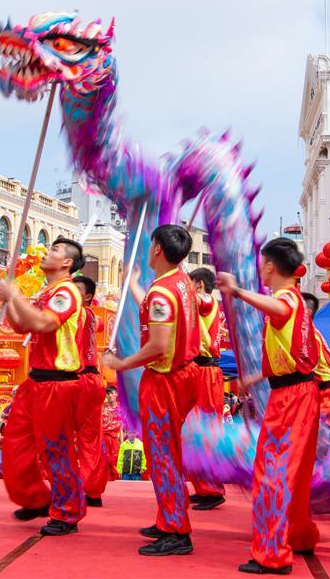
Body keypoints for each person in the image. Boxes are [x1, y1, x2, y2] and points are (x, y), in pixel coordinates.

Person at [217, 237, 321, 576]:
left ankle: (272, 554)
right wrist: (257, 377)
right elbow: (288, 351)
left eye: (263, 263)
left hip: (291, 399)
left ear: (270, 267)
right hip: (298, 393)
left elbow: (279, 310)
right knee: (295, 474)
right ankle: (298, 536)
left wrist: (238, 291)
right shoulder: (297, 303)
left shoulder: (287, 299)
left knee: (272, 473)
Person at [103, 224, 200, 557]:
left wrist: (121, 363)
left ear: (158, 249)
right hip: (183, 376)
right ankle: (168, 518)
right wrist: (133, 288)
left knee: (163, 456)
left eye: (151, 243)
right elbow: (162, 315)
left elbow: (158, 344)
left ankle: (176, 530)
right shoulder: (182, 283)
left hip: (165, 380)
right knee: (167, 452)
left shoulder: (162, 292)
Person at [0, 238, 88, 537]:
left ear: (67, 263)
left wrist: (16, 296)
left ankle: (67, 511)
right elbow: (23, 325)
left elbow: (46, 323)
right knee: (14, 444)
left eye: (54, 250)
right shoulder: (47, 292)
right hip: (35, 382)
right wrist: (9, 301)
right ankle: (36, 498)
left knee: (57, 451)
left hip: (57, 384)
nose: (47, 252)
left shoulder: (67, 292)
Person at [187, 267, 226, 510]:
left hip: (206, 373)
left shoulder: (206, 300)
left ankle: (212, 490)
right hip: (199, 372)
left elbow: (185, 299)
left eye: (189, 284)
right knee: (194, 433)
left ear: (199, 285)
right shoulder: (203, 304)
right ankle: (203, 486)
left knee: (206, 432)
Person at [72, 274, 109, 507]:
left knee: (62, 436)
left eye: (76, 290)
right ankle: (92, 490)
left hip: (79, 380)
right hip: (92, 379)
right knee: (90, 438)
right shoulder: (91, 315)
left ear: (88, 297)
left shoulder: (79, 314)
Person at [302, 292, 330, 433]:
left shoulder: (308, 335)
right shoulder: (309, 332)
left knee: (325, 441)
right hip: (328, 391)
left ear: (306, 312)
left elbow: (307, 366)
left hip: (328, 393)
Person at [102, 386, 123, 481]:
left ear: (116, 394)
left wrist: (122, 442)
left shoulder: (121, 409)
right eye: (108, 394)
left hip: (115, 440)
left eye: (112, 393)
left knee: (115, 463)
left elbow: (122, 427)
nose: (110, 395)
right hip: (103, 438)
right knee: (104, 463)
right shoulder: (102, 408)